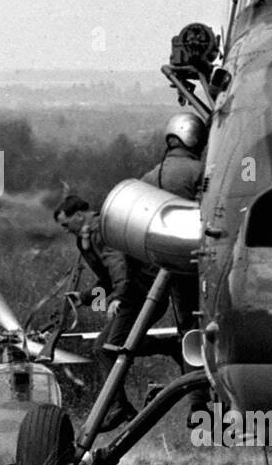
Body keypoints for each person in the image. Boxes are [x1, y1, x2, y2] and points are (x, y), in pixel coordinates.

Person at [54, 193, 172, 431]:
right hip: (137, 295)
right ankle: (170, 347)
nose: (66, 230)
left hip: (143, 296)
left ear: (79, 215)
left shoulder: (102, 231)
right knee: (106, 347)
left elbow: (119, 266)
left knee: (107, 348)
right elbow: (108, 279)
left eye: (66, 224)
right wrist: (85, 297)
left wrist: (118, 297)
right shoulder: (88, 236)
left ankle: (120, 408)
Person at [140, 111, 210, 419]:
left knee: (188, 332)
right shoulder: (203, 171)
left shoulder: (151, 176)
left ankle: (197, 403)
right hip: (204, 264)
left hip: (169, 266)